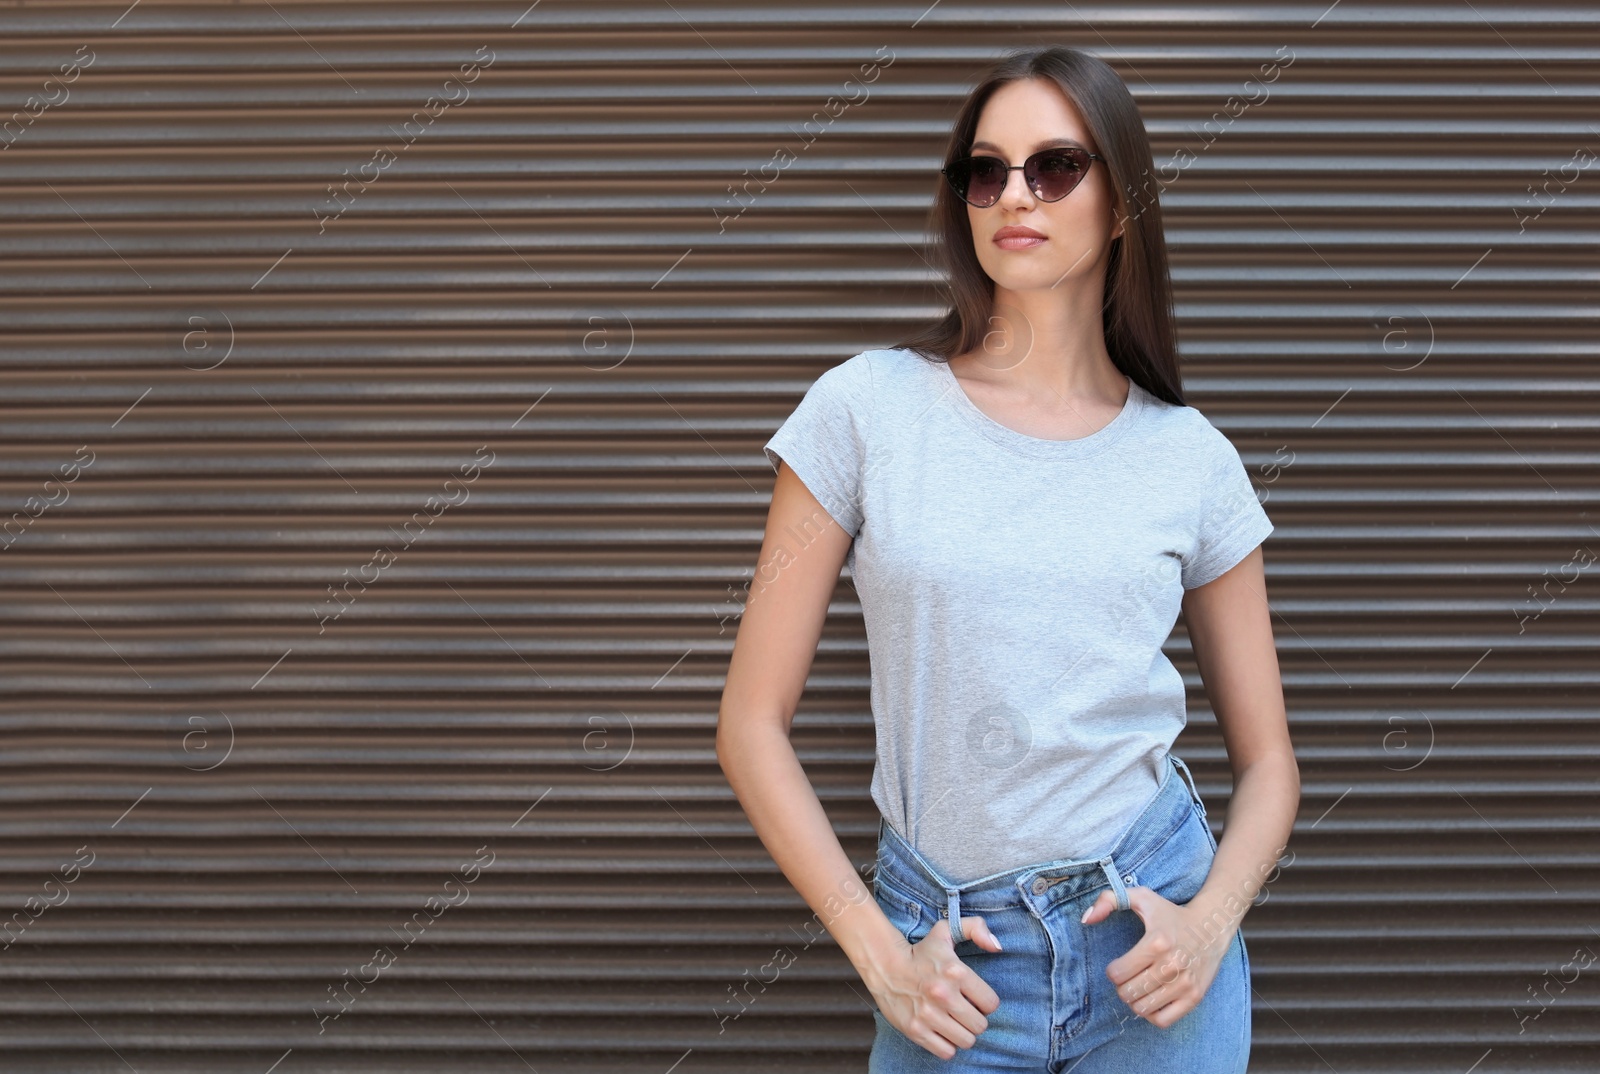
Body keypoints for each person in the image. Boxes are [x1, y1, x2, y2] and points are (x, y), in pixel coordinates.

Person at [717, 45, 1298, 1072]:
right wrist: (877, 951)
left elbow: (1269, 767)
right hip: (950, 966)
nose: (1012, 195)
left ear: (1121, 200)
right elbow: (749, 725)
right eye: (985, 172)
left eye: (1054, 166)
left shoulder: (1188, 458)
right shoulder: (864, 410)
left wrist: (1206, 926)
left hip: (1148, 949)